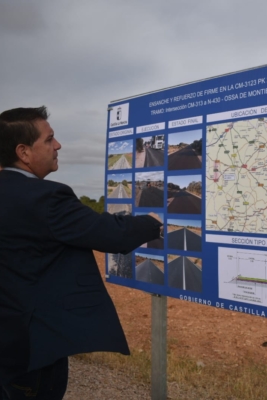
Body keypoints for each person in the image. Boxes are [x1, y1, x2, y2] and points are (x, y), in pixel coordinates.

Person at [0, 106, 163, 399]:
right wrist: (155, 222)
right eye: (49, 139)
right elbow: (110, 233)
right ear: (23, 152)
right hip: (34, 348)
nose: (58, 145)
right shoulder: (45, 197)